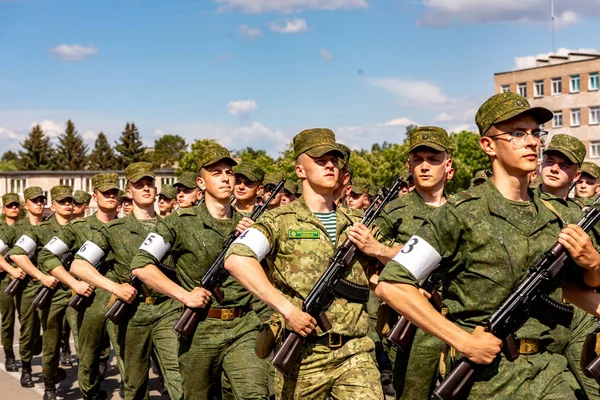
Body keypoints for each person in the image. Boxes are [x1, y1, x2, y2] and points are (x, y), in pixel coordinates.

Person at [376, 92, 600, 399]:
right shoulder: (459, 213)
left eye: (536, 133)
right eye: (518, 134)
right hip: (488, 378)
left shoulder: (557, 214)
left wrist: (594, 264)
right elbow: (392, 285)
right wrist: (461, 341)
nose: (532, 142)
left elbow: (574, 290)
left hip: (550, 370)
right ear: (488, 145)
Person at [225, 128, 384, 399]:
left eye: (335, 159)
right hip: (303, 354)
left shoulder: (359, 222)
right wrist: (288, 311)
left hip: (355, 351)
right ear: (300, 170)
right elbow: (237, 259)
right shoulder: (278, 220)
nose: (331, 164)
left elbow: (406, 259)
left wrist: (378, 248)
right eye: (320, 160)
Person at [129, 145, 269, 399]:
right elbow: (141, 264)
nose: (226, 177)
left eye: (229, 172)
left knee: (255, 394)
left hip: (244, 326)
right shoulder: (179, 221)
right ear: (200, 183)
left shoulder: (249, 224)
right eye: (216, 173)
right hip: (200, 329)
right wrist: (184, 296)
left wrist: (254, 236)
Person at [349, 126, 454, 399]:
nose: (425, 167)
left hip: (460, 319)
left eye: (433, 159)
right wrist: (381, 252)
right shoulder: (393, 213)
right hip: (413, 323)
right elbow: (371, 269)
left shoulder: (464, 209)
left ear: (448, 164)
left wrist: (383, 249)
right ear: (409, 165)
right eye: (418, 160)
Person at [71, 162, 183, 400]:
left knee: (178, 376)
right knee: (134, 383)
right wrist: (114, 287)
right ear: (129, 192)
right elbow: (78, 264)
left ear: (156, 188)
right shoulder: (113, 230)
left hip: (168, 309)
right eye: (138, 185)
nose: (145, 189)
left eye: (149, 184)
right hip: (132, 313)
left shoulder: (174, 225)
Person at [38, 173, 122, 400]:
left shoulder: (126, 225)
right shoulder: (78, 227)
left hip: (122, 298)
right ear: (95, 197)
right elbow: (47, 256)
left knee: (126, 355)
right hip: (90, 300)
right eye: (105, 193)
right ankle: (90, 394)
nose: (111, 196)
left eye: (114, 192)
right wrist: (73, 282)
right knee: (88, 355)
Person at [11, 185, 76, 400]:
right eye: (63, 201)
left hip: (77, 292)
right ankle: (42, 380)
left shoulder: (81, 227)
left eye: (70, 201)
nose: (68, 204)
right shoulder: (40, 230)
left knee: (82, 341)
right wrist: (41, 276)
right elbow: (17, 255)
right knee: (46, 339)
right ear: (53, 205)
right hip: (48, 291)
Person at [0, 187, 46, 388]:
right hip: (26, 286)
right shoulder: (15, 229)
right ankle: (25, 367)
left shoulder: (51, 226)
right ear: (27, 205)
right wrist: (12, 269)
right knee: (25, 327)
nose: (39, 203)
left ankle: (48, 362)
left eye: (41, 200)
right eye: (34, 200)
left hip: (49, 285)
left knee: (53, 327)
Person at [0, 193, 22, 372]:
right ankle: (9, 355)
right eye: (10, 206)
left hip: (23, 279)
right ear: (3, 209)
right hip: (4, 281)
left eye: (16, 205)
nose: (14, 208)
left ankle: (27, 351)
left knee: (29, 320)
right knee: (8, 320)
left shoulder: (25, 228)